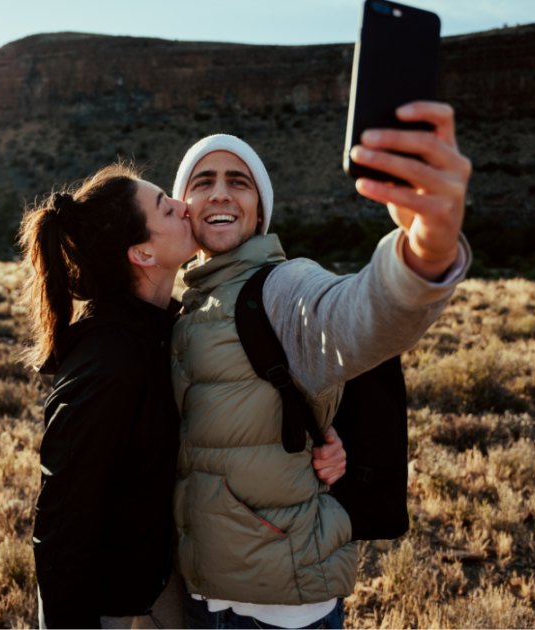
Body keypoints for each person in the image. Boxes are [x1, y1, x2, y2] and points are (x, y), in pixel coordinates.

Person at [170, 102, 473, 629]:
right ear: (184, 207)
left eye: (239, 182)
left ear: (260, 212)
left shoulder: (280, 287)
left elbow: (357, 316)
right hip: (201, 596)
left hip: (279, 609)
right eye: (203, 181)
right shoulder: (189, 308)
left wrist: (426, 250)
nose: (220, 193)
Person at [19, 163, 347, 629]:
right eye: (165, 207)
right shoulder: (107, 364)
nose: (183, 205)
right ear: (143, 253)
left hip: (167, 586)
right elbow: (62, 519)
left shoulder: (167, 332)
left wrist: (324, 440)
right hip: (111, 609)